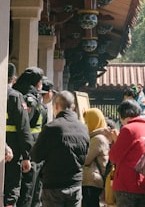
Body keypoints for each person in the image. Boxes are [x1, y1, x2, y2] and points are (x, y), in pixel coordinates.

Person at [31, 91, 89, 206]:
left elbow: (36, 156)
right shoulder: (83, 128)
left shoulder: (51, 127)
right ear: (72, 107)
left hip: (53, 184)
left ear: (56, 106)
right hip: (75, 183)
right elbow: (85, 156)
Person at [108, 99, 145, 206]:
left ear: (123, 115)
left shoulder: (128, 129)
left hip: (127, 184)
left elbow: (114, 157)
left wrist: (113, 141)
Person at [14, 67, 47, 207]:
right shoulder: (29, 100)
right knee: (26, 193)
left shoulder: (29, 97)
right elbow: (24, 128)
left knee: (32, 192)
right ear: (37, 83)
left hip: (32, 151)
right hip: (28, 152)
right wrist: (26, 154)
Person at [6, 63, 32, 206]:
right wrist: (27, 155)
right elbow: (23, 128)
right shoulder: (16, 97)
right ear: (14, 79)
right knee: (11, 189)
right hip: (13, 152)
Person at [82, 108, 110, 207]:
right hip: (93, 179)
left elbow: (86, 160)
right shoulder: (97, 137)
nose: (85, 124)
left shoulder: (98, 139)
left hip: (92, 180)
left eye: (87, 121)